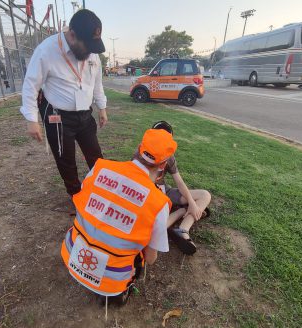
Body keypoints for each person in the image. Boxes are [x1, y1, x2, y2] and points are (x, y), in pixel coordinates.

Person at [61, 129, 177, 304]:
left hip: (72, 256)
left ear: (139, 149)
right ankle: (118, 293)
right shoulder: (158, 202)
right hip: (110, 282)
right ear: (163, 165)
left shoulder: (100, 168)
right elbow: (151, 259)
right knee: (143, 255)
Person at [20, 9, 108, 199]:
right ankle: (76, 194)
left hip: (85, 114)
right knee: (65, 159)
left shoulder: (92, 55)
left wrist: (102, 108)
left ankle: (102, 190)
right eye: (88, 46)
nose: (91, 52)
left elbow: (97, 83)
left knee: (96, 155)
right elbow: (31, 85)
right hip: (58, 116)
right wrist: (31, 118)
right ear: (72, 35)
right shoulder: (46, 50)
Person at [151, 121, 211, 255]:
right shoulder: (142, 154)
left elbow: (179, 182)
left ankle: (183, 228)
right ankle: (179, 212)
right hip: (151, 197)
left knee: (204, 195)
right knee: (156, 227)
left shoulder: (169, 156)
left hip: (165, 192)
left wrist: (191, 203)